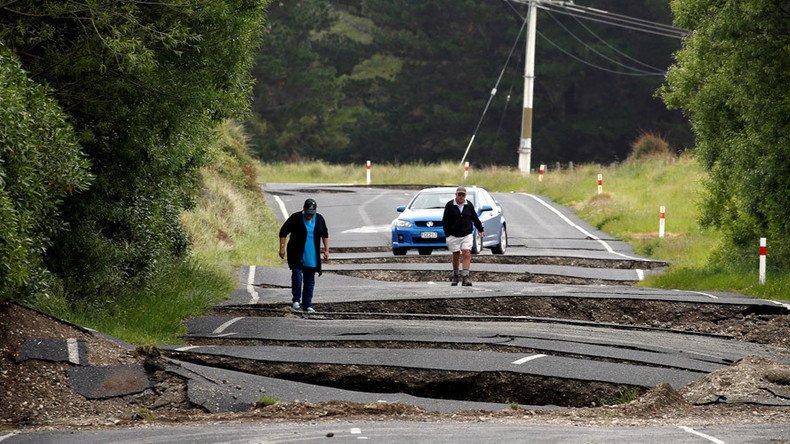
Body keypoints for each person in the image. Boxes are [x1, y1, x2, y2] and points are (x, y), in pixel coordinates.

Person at [279, 198, 329, 313]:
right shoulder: (296, 217)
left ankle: (307, 304)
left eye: (312, 213)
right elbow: (283, 232)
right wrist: (282, 248)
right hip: (296, 252)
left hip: (312, 254)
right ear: (304, 209)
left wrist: (326, 250)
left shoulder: (320, 219)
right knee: (297, 275)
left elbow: (325, 234)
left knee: (309, 280)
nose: (309, 216)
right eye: (308, 213)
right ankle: (296, 300)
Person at [441, 186, 484, 286]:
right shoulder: (449, 205)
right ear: (455, 195)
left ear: (465, 196)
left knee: (466, 252)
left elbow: (474, 218)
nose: (461, 196)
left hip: (467, 234)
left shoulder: (469, 205)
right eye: (459, 194)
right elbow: (445, 221)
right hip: (453, 235)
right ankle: (456, 276)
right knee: (456, 255)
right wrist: (447, 234)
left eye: (463, 195)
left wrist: (480, 229)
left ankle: (465, 277)